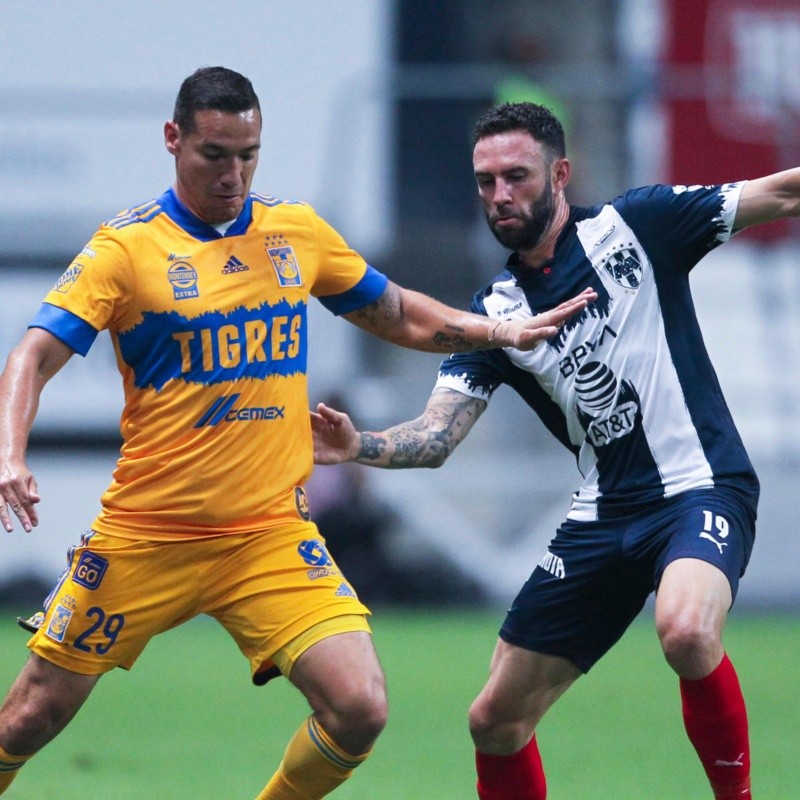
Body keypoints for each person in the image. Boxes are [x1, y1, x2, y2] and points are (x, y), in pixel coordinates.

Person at [0, 72, 594, 800]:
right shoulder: (126, 250)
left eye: (249, 154)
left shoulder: (293, 231)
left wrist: (499, 330)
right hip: (149, 534)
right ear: (173, 139)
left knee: (360, 708)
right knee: (30, 715)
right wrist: (10, 454)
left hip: (268, 534)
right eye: (215, 153)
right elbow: (33, 352)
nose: (234, 173)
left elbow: (398, 311)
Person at [311, 101, 800, 800]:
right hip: (604, 516)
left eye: (517, 176)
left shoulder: (642, 224)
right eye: (485, 182)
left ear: (561, 173)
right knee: (494, 722)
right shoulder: (496, 314)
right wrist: (360, 444)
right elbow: (438, 436)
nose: (500, 195)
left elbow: (782, 191)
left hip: (701, 486)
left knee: (686, 631)